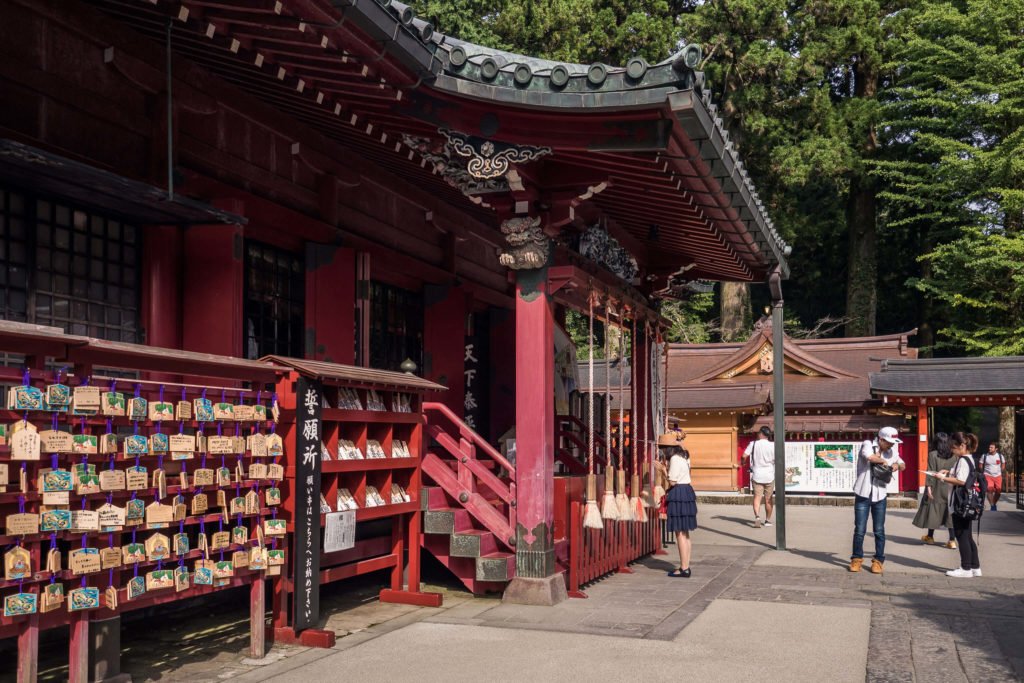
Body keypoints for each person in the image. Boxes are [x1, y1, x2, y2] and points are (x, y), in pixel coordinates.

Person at [849, 426, 906, 574]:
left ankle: (878, 561)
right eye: (889, 442)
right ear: (880, 439)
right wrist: (884, 461)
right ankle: (856, 559)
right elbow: (870, 457)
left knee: (879, 530)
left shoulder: (892, 451)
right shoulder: (868, 444)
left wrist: (897, 465)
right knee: (860, 530)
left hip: (880, 495)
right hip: (863, 493)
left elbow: (903, 464)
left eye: (893, 442)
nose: (891, 445)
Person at [936, 432, 982, 577]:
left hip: (960, 504)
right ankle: (975, 566)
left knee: (961, 535)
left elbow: (961, 481)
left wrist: (943, 478)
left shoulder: (962, 460)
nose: (952, 450)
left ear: (962, 446)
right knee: (967, 536)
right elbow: (963, 476)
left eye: (953, 448)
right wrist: (948, 472)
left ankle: (965, 568)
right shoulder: (970, 459)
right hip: (967, 504)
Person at [912, 432, 956, 548]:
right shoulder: (954, 455)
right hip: (950, 487)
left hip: (936, 486)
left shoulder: (933, 454)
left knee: (933, 511)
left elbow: (930, 472)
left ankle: (930, 537)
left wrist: (928, 489)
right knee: (949, 513)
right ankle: (952, 540)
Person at [664, 442, 697, 578]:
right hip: (687, 491)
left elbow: (672, 481)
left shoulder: (674, 458)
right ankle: (686, 566)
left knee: (680, 533)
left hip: (679, 493)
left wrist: (663, 470)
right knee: (685, 533)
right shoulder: (685, 457)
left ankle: (684, 568)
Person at [743, 426, 775, 528]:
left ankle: (757, 517)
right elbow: (777, 459)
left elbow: (744, 456)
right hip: (769, 475)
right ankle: (767, 520)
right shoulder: (773, 445)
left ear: (761, 434)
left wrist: (743, 463)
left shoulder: (753, 444)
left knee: (757, 497)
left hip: (757, 475)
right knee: (768, 499)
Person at [980, 442, 1006, 511]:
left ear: (996, 449)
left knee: (998, 491)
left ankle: (994, 503)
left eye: (991, 447)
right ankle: (992, 506)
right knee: (989, 490)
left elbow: (1003, 464)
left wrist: (1001, 470)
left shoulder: (1000, 456)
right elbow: (981, 464)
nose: (989, 448)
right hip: (988, 475)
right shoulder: (984, 456)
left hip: (998, 476)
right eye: (989, 447)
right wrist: (983, 472)